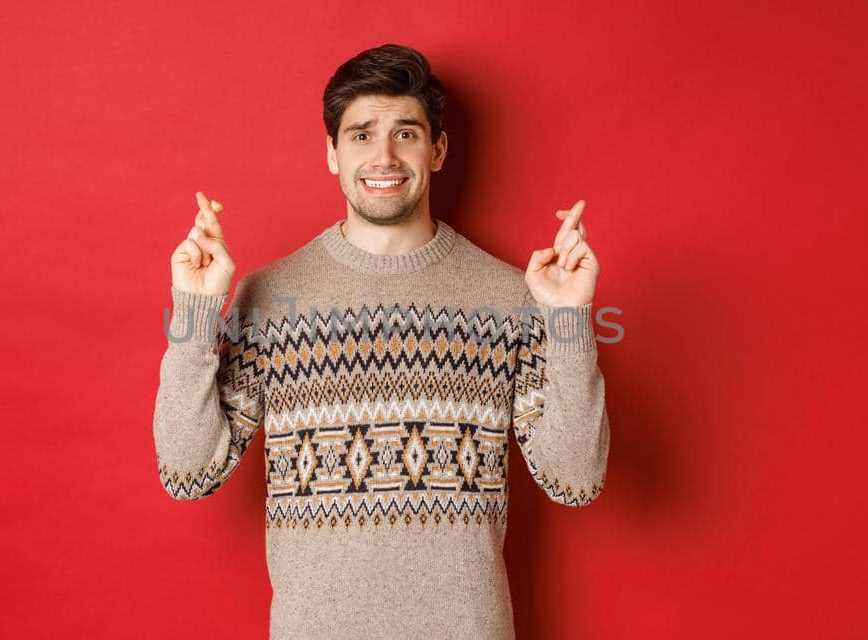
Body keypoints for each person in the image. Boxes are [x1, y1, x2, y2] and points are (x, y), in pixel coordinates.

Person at [152, 43, 610, 640]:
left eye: (406, 133)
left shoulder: (511, 299)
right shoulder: (270, 296)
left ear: (438, 149)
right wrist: (194, 311)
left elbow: (575, 480)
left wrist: (570, 321)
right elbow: (187, 472)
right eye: (361, 135)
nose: (384, 155)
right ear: (332, 154)